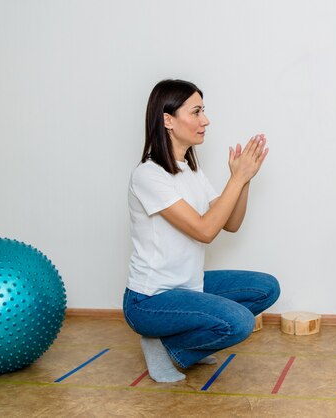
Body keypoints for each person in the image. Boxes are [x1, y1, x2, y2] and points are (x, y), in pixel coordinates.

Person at [123, 79, 280, 383]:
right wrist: (236, 180)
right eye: (196, 112)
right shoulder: (148, 175)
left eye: (203, 111)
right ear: (168, 120)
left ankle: (177, 341)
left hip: (188, 287)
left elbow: (230, 223)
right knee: (239, 323)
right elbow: (205, 231)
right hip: (149, 301)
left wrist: (243, 179)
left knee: (266, 288)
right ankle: (166, 346)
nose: (205, 120)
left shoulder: (191, 170)